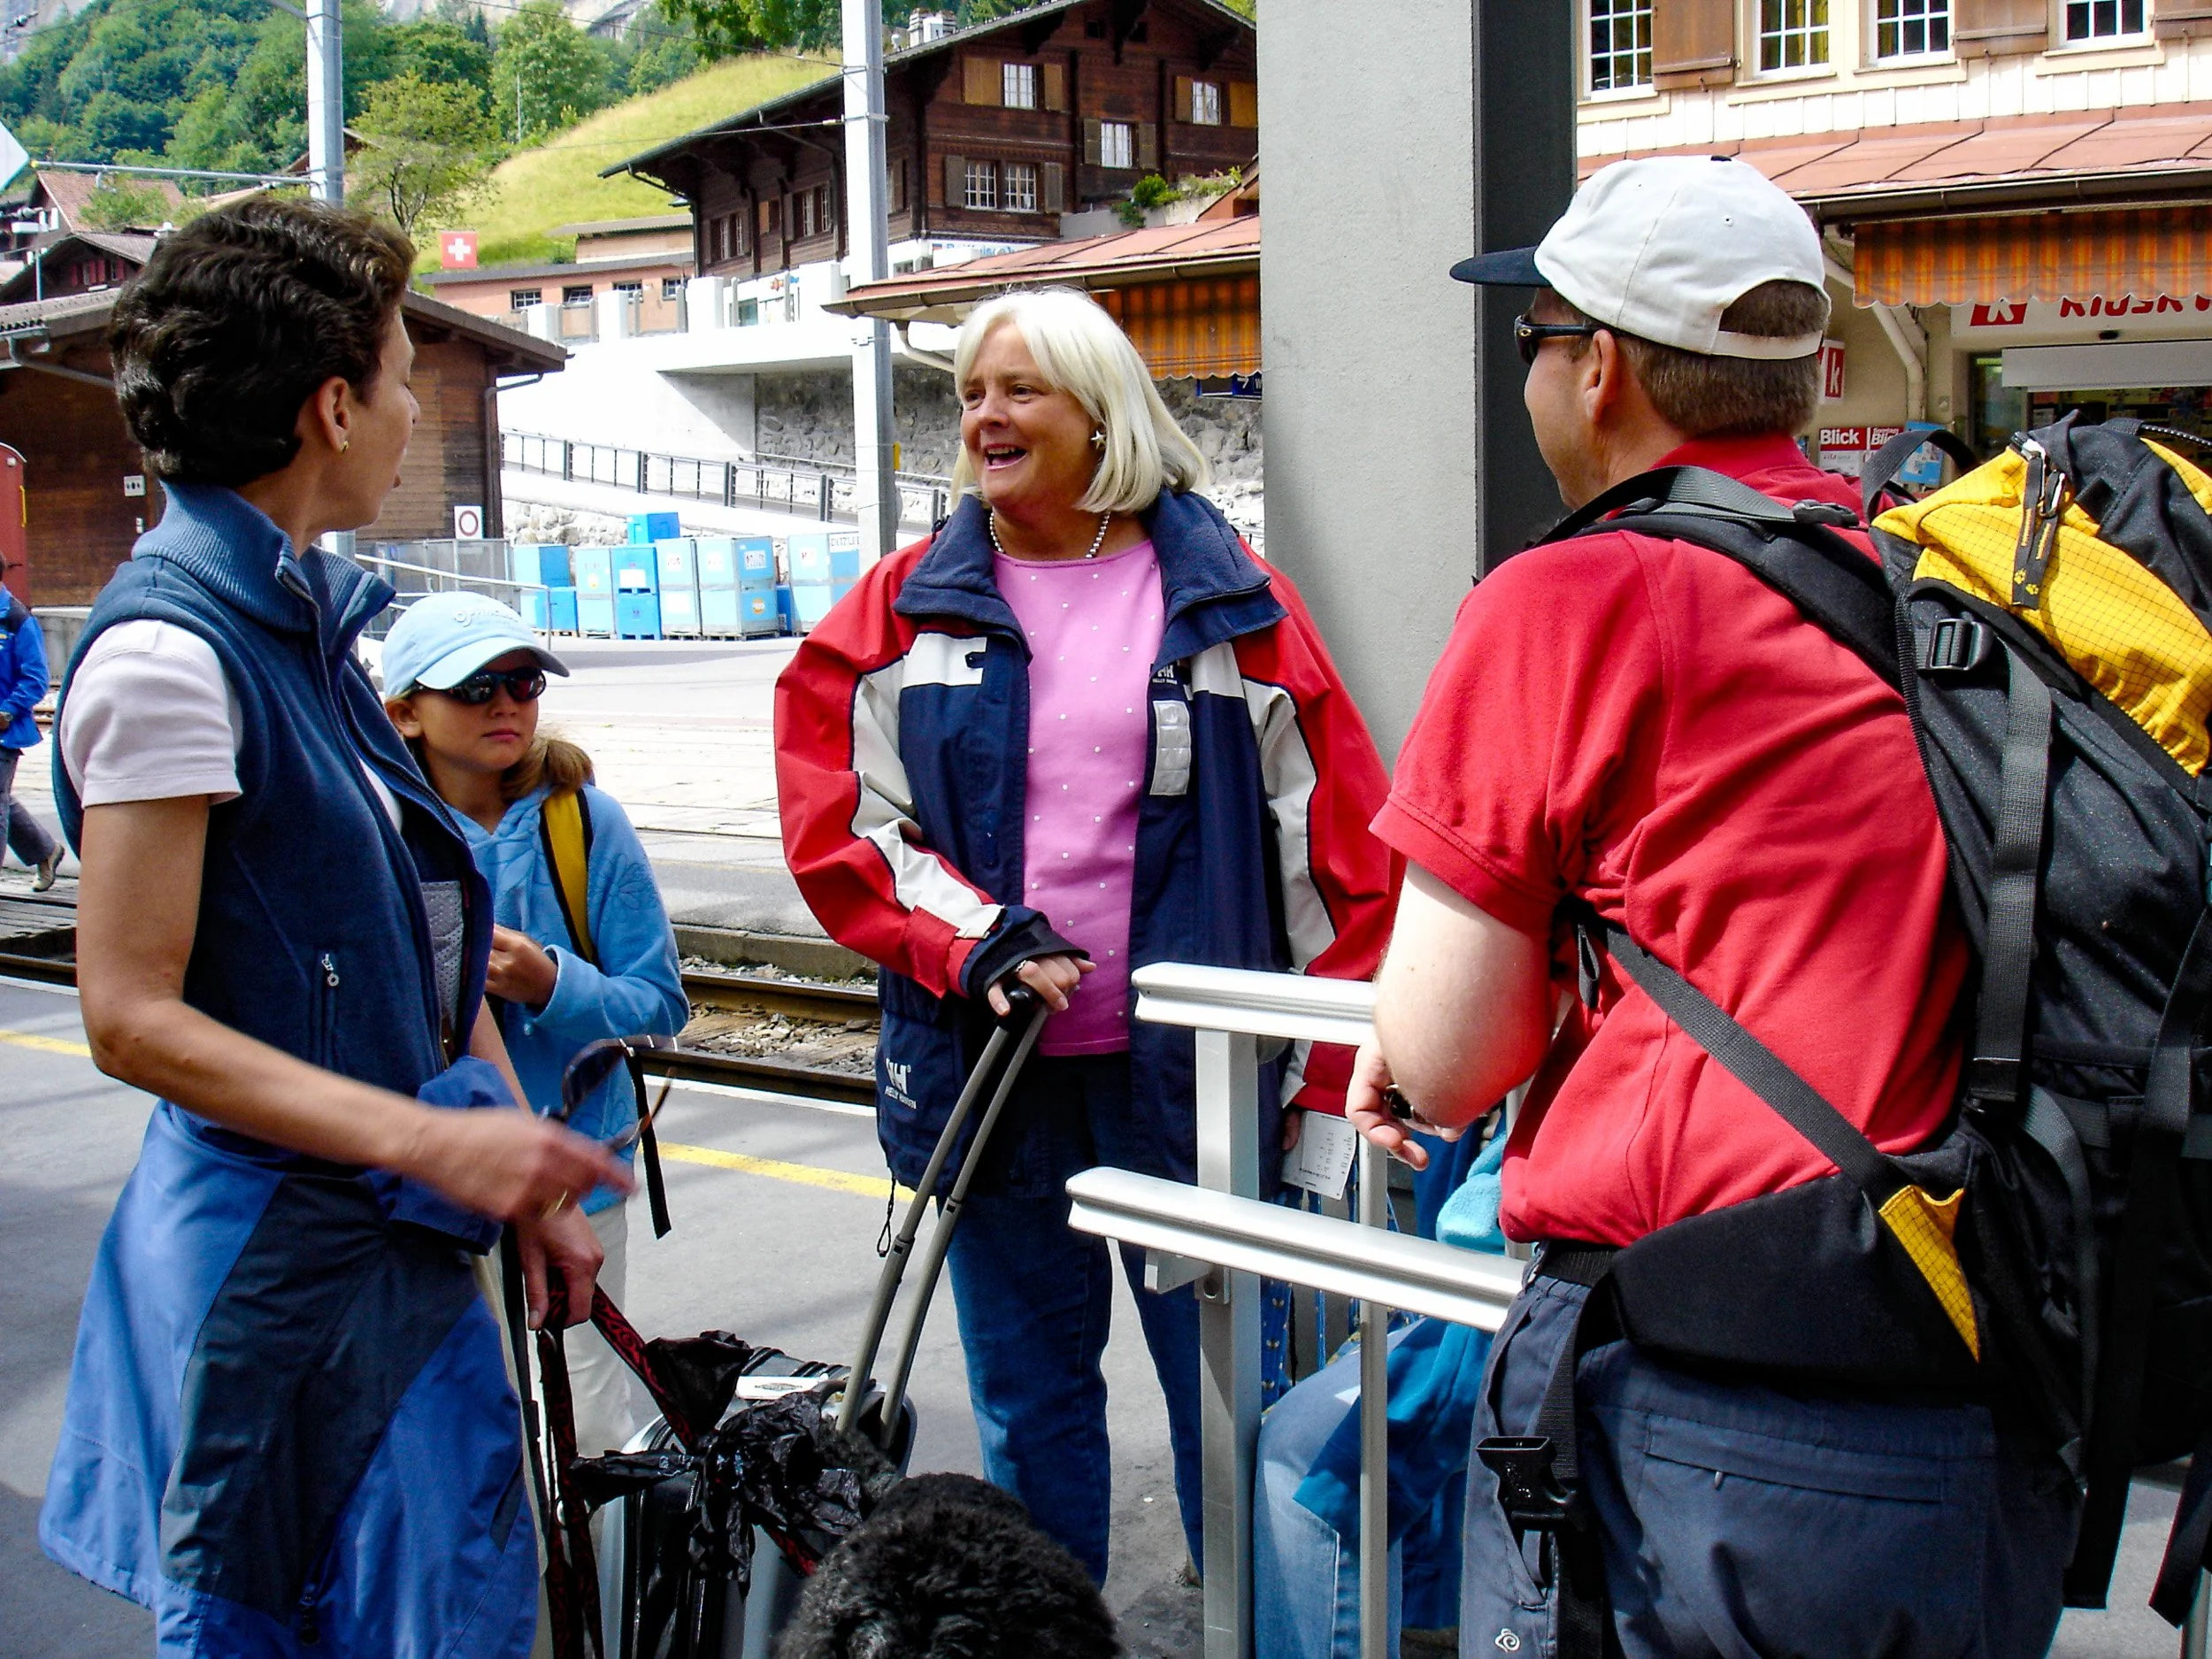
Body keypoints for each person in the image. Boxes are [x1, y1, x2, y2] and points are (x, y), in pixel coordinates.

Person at [1347, 156, 2078, 1656]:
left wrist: (1415, 1041)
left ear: (1599, 367)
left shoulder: (1572, 596)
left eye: (1535, 339)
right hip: (1974, 1383)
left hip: (1705, 1406)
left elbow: (1449, 1060)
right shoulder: (1925, 576)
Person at [39, 197, 621, 1658]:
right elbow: (129, 1014)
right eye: (407, 375)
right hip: (277, 1270)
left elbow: (424, 940)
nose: (417, 410)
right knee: (291, 1612)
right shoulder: (172, 656)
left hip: (378, 1234)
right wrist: (437, 1140)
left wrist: (515, 1170)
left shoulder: (299, 622)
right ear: (333, 405)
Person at [775, 286, 1396, 1584]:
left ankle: (1247, 1631)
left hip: (1195, 1087)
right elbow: (840, 818)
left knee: (1234, 1408)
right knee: (1029, 1406)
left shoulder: (1230, 601)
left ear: (1099, 409)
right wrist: (978, 936)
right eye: (970, 395)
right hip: (990, 1077)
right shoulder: (903, 607)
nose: (983, 417)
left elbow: (1334, 853)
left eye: (1018, 389)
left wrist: (1323, 1081)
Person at [381, 589, 687, 1458]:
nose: (506, 704)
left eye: (523, 683)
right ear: (405, 713)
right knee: (466, 1431)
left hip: (575, 1174)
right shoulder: (381, 831)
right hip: (435, 1183)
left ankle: (590, 1555)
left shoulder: (580, 820)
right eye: (475, 688)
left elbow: (660, 1001)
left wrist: (554, 984)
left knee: (590, 1427)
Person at [0, 556, 61, 889]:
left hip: (3, 730)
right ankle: (45, 850)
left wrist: (8, 711)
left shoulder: (16, 619)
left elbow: (36, 677)